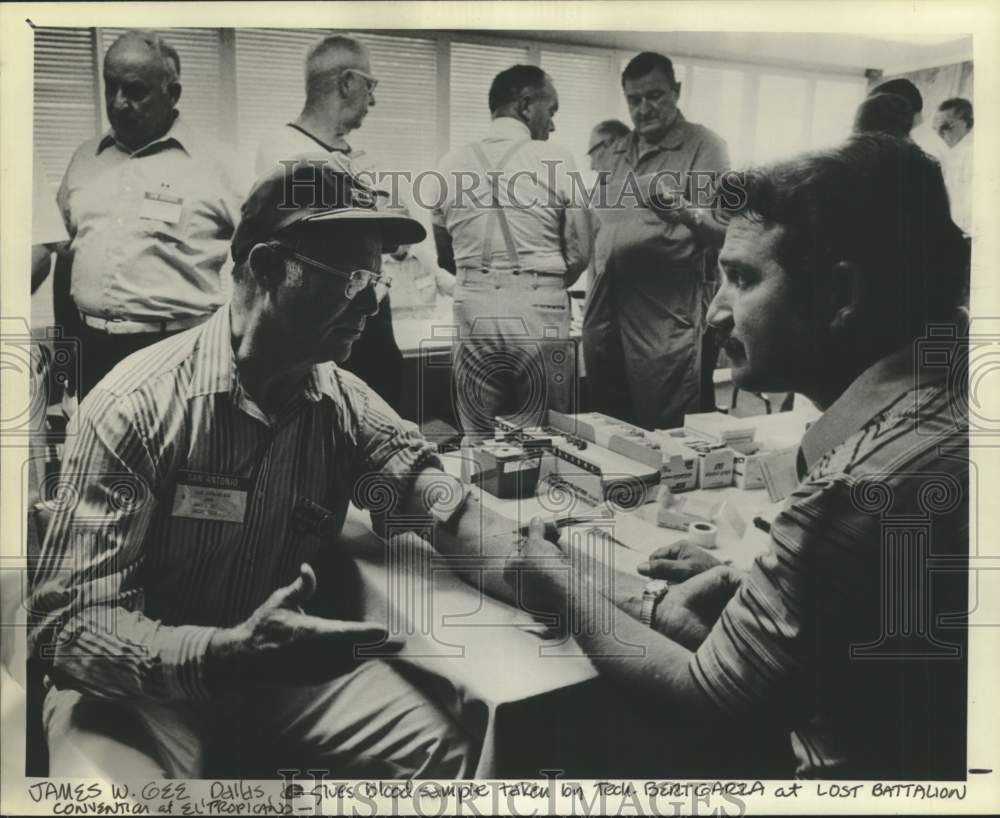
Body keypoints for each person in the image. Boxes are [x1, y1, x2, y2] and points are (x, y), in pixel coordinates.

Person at [29, 158, 537, 779]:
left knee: (450, 758)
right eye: (352, 279)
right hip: (141, 689)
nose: (373, 306)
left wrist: (600, 592)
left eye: (376, 283)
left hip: (271, 674)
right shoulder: (135, 407)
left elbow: (443, 505)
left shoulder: (341, 402)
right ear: (268, 268)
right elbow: (67, 628)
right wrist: (221, 656)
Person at [512, 134, 969, 779]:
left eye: (744, 278)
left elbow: (703, 700)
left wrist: (557, 579)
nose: (715, 315)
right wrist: (770, 571)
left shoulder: (857, 484)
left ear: (843, 295)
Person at [56, 30, 243, 399]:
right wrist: (67, 363)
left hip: (176, 353)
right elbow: (66, 256)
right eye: (111, 88)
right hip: (93, 353)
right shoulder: (84, 159)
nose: (119, 103)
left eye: (135, 91)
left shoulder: (219, 165)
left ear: (172, 94)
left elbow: (265, 257)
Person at [434, 65, 592, 438]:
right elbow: (582, 249)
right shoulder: (557, 158)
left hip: (472, 304)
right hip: (541, 305)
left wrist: (485, 281)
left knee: (480, 437)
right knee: (546, 436)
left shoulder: (449, 163)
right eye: (550, 111)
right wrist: (542, 283)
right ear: (525, 105)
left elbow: (445, 253)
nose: (552, 125)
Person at [255, 34, 409, 410]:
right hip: (322, 319)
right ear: (347, 83)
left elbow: (400, 238)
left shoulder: (358, 156)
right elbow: (317, 244)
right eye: (370, 85)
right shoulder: (283, 152)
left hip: (370, 318)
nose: (373, 100)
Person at [588, 52, 729, 430]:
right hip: (606, 309)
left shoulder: (705, 146)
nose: (644, 108)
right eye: (634, 100)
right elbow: (599, 223)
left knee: (666, 431)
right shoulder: (615, 151)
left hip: (663, 315)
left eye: (655, 96)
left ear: (677, 91)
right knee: (608, 427)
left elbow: (726, 233)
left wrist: (685, 212)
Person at [934, 97, 974, 237]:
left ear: (968, 124)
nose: (940, 133)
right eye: (937, 128)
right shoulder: (953, 154)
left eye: (947, 126)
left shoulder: (973, 153)